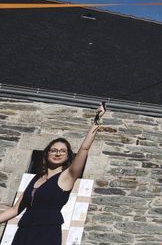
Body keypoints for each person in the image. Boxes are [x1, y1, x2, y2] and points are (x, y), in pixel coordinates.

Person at [0, 103, 106, 245]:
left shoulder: (67, 176)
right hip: (24, 231)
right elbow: (15, 209)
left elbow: (84, 149)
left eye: (62, 151)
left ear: (68, 156)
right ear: (47, 154)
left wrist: (96, 121)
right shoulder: (36, 178)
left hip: (47, 233)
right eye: (53, 150)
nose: (57, 153)